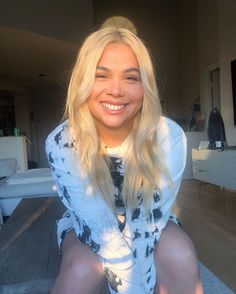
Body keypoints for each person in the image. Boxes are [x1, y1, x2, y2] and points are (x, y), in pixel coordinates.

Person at [45, 27, 203, 294]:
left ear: (146, 86)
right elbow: (104, 235)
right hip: (88, 223)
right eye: (101, 75)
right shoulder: (62, 142)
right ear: (83, 80)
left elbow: (146, 227)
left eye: (131, 78)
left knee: (181, 256)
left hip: (149, 221)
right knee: (81, 271)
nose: (116, 90)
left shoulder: (169, 137)